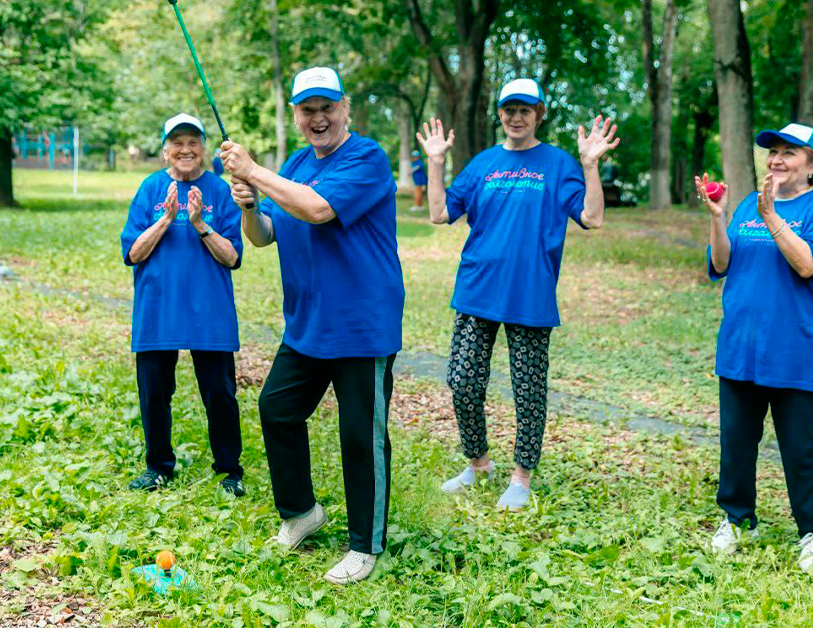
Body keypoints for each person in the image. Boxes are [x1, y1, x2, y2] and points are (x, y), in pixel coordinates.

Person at [220, 67, 404, 585]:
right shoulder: (298, 163)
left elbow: (319, 210)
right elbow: (264, 236)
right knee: (277, 408)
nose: (318, 118)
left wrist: (256, 172)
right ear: (296, 115)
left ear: (346, 108)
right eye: (307, 109)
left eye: (327, 107)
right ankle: (302, 512)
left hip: (361, 324)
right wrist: (250, 208)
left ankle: (366, 546)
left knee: (359, 435)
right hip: (308, 323)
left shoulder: (367, 158)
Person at [418, 78, 619, 511]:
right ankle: (478, 464)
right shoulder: (483, 163)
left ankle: (521, 478)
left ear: (539, 115)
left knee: (529, 390)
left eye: (525, 110)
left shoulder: (559, 163)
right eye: (509, 109)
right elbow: (439, 213)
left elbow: (593, 217)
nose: (516, 117)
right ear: (501, 114)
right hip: (477, 289)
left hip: (530, 294)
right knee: (462, 382)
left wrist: (589, 165)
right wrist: (435, 164)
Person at [695, 122, 813, 573]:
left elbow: (806, 265)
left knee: (801, 448)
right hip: (740, 347)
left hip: (796, 352)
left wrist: (772, 218)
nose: (778, 159)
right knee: (737, 443)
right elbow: (721, 263)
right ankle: (738, 519)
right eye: (774, 151)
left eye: (791, 153)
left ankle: (812, 532)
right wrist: (719, 218)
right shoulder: (746, 205)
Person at [120, 113, 245, 497]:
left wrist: (199, 224)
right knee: (154, 393)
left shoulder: (220, 191)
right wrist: (165, 221)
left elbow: (232, 257)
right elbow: (132, 253)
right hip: (158, 310)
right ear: (165, 151)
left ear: (204, 149)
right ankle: (158, 466)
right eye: (177, 143)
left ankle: (230, 471)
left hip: (209, 312)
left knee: (220, 394)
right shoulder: (149, 188)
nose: (185, 149)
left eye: (193, 142)